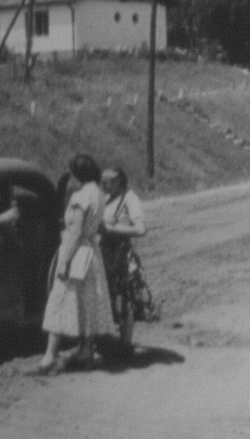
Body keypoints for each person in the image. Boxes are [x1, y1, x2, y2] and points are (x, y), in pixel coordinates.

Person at [35, 153, 116, 374]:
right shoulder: (98, 193)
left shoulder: (81, 196)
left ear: (78, 174)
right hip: (92, 254)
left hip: (77, 252)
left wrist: (64, 262)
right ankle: (86, 350)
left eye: (72, 173)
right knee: (88, 301)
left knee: (60, 300)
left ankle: (49, 356)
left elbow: (76, 231)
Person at [101, 167, 157, 348]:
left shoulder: (129, 198)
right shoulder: (105, 198)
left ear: (120, 181)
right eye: (102, 181)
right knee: (108, 296)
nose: (104, 185)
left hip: (121, 255)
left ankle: (125, 344)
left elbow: (141, 229)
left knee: (126, 298)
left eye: (108, 182)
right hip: (104, 254)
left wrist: (111, 229)